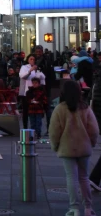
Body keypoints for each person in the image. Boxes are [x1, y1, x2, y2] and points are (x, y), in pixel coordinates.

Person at [49, 79, 98, 216]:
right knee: (84, 177)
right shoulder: (85, 108)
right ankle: (88, 207)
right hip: (84, 147)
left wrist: (55, 146)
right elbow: (94, 130)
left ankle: (74, 208)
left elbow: (54, 131)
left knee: (71, 177)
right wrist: (92, 143)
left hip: (67, 147)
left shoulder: (60, 109)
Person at [19, 54, 46, 129]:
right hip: (26, 92)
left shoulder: (37, 68)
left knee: (34, 112)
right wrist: (30, 71)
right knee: (25, 111)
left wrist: (38, 72)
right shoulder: (24, 67)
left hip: (36, 92)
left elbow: (43, 79)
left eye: (34, 59)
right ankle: (25, 127)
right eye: (31, 59)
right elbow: (22, 76)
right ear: (28, 60)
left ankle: (35, 129)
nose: (32, 61)